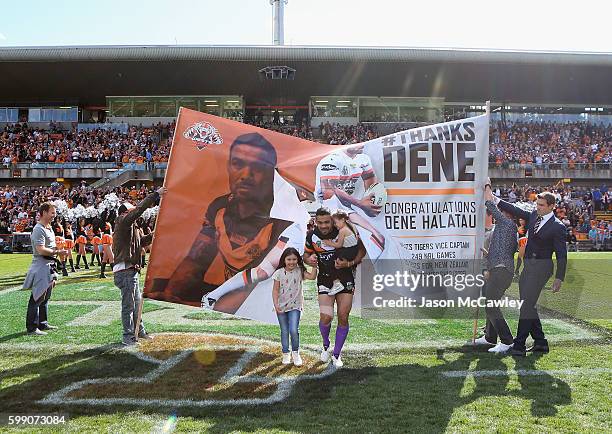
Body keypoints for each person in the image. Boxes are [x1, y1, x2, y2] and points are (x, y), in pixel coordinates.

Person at [153, 133, 298, 313]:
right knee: (156, 286)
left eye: (258, 167)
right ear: (229, 167)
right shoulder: (219, 207)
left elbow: (260, 277)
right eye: (238, 164)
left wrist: (215, 308)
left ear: (272, 173)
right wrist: (171, 294)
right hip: (229, 287)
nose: (246, 175)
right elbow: (196, 261)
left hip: (264, 293)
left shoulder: (282, 217)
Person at [491, 188, 567, 356]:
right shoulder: (534, 216)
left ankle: (519, 345)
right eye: (537, 204)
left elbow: (562, 255)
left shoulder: (558, 227)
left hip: (542, 270)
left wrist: (559, 278)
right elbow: (516, 210)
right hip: (528, 268)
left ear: (552, 206)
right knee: (528, 305)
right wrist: (495, 199)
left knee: (526, 306)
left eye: (541, 205)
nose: (538, 207)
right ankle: (540, 342)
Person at [304, 207, 366, 368]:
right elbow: (305, 255)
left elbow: (362, 250)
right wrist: (309, 259)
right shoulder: (311, 236)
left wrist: (349, 263)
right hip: (324, 280)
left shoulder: (342, 231)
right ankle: (325, 345)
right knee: (326, 317)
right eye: (320, 222)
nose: (324, 226)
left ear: (332, 220)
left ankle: (337, 355)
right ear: (316, 222)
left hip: (345, 279)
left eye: (327, 222)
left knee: (343, 316)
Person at [112, 187, 165, 346]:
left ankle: (139, 331)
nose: (134, 212)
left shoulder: (133, 228)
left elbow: (143, 241)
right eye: (131, 210)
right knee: (129, 305)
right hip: (125, 270)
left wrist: (155, 233)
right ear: (125, 212)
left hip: (131, 270)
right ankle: (128, 335)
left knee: (137, 304)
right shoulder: (122, 221)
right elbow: (139, 210)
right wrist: (156, 195)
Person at [474, 188, 518, 353]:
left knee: (491, 305)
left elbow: (491, 206)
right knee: (491, 304)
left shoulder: (506, 224)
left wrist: (486, 188)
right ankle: (490, 337)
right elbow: (499, 253)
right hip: (501, 271)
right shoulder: (506, 229)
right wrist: (486, 254)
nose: (493, 215)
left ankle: (507, 341)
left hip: (501, 272)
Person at [23, 202, 69, 335]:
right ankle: (32, 327)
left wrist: (58, 247)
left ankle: (42, 323)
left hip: (49, 265)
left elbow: (49, 247)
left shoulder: (48, 228)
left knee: (46, 296)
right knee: (37, 297)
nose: (54, 215)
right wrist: (58, 252)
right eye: (52, 213)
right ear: (43, 213)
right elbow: (41, 249)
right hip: (41, 265)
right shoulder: (39, 229)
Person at [272, 247, 317, 366]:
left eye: (294, 259)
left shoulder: (300, 270)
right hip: (281, 307)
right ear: (284, 260)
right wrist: (276, 304)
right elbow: (275, 290)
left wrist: (314, 265)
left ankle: (296, 353)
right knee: (284, 331)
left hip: (295, 306)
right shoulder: (279, 273)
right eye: (289, 259)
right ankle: (286, 353)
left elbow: (312, 277)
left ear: (298, 260)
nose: (291, 262)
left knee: (293, 330)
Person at [319, 210, 359, 296]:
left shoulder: (342, 230)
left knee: (329, 263)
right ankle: (338, 282)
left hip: (347, 251)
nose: (335, 225)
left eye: (335, 222)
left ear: (343, 219)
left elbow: (339, 245)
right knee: (335, 262)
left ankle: (336, 283)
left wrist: (328, 242)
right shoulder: (351, 227)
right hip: (352, 250)